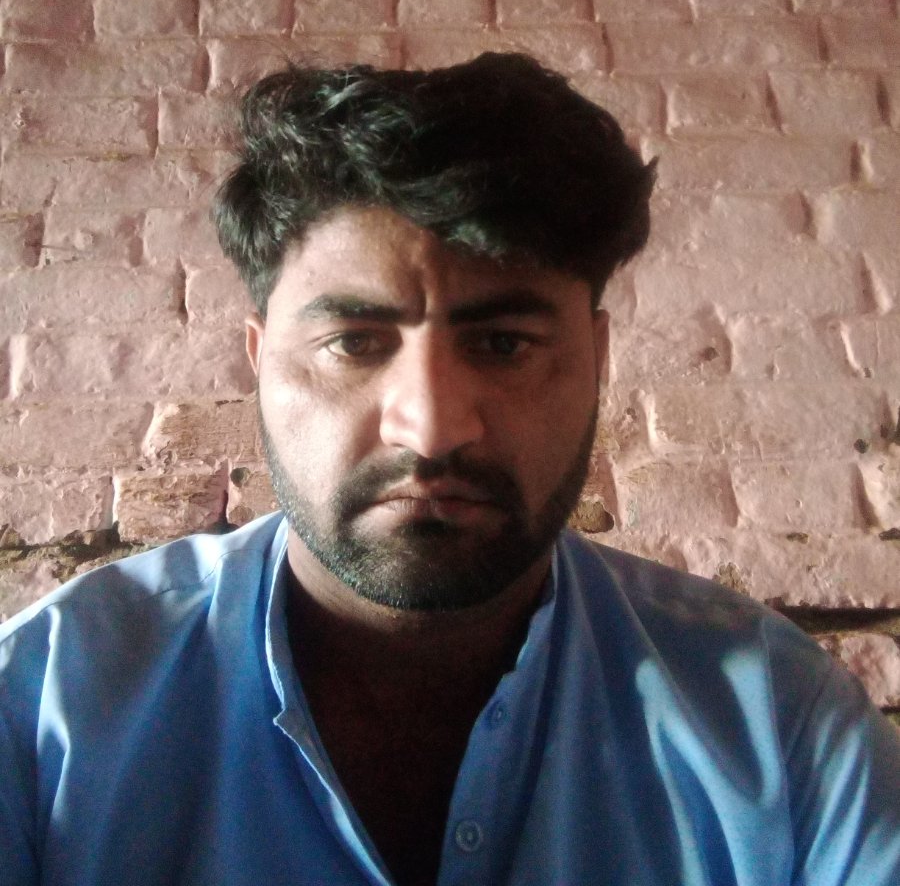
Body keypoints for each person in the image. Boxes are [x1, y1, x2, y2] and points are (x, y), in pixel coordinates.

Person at [1, 53, 898, 886]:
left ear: (597, 359)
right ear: (260, 361)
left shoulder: (777, 724)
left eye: (504, 344)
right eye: (354, 343)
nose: (431, 430)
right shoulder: (44, 706)